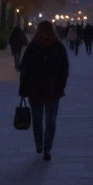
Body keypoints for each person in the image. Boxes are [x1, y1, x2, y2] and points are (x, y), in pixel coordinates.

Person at [18, 21, 69, 161]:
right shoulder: (58, 47)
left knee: (37, 119)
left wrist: (23, 89)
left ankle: (39, 143)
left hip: (35, 89)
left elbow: (24, 70)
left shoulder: (33, 46)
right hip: (53, 90)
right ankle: (47, 147)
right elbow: (64, 69)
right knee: (50, 121)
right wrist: (61, 86)